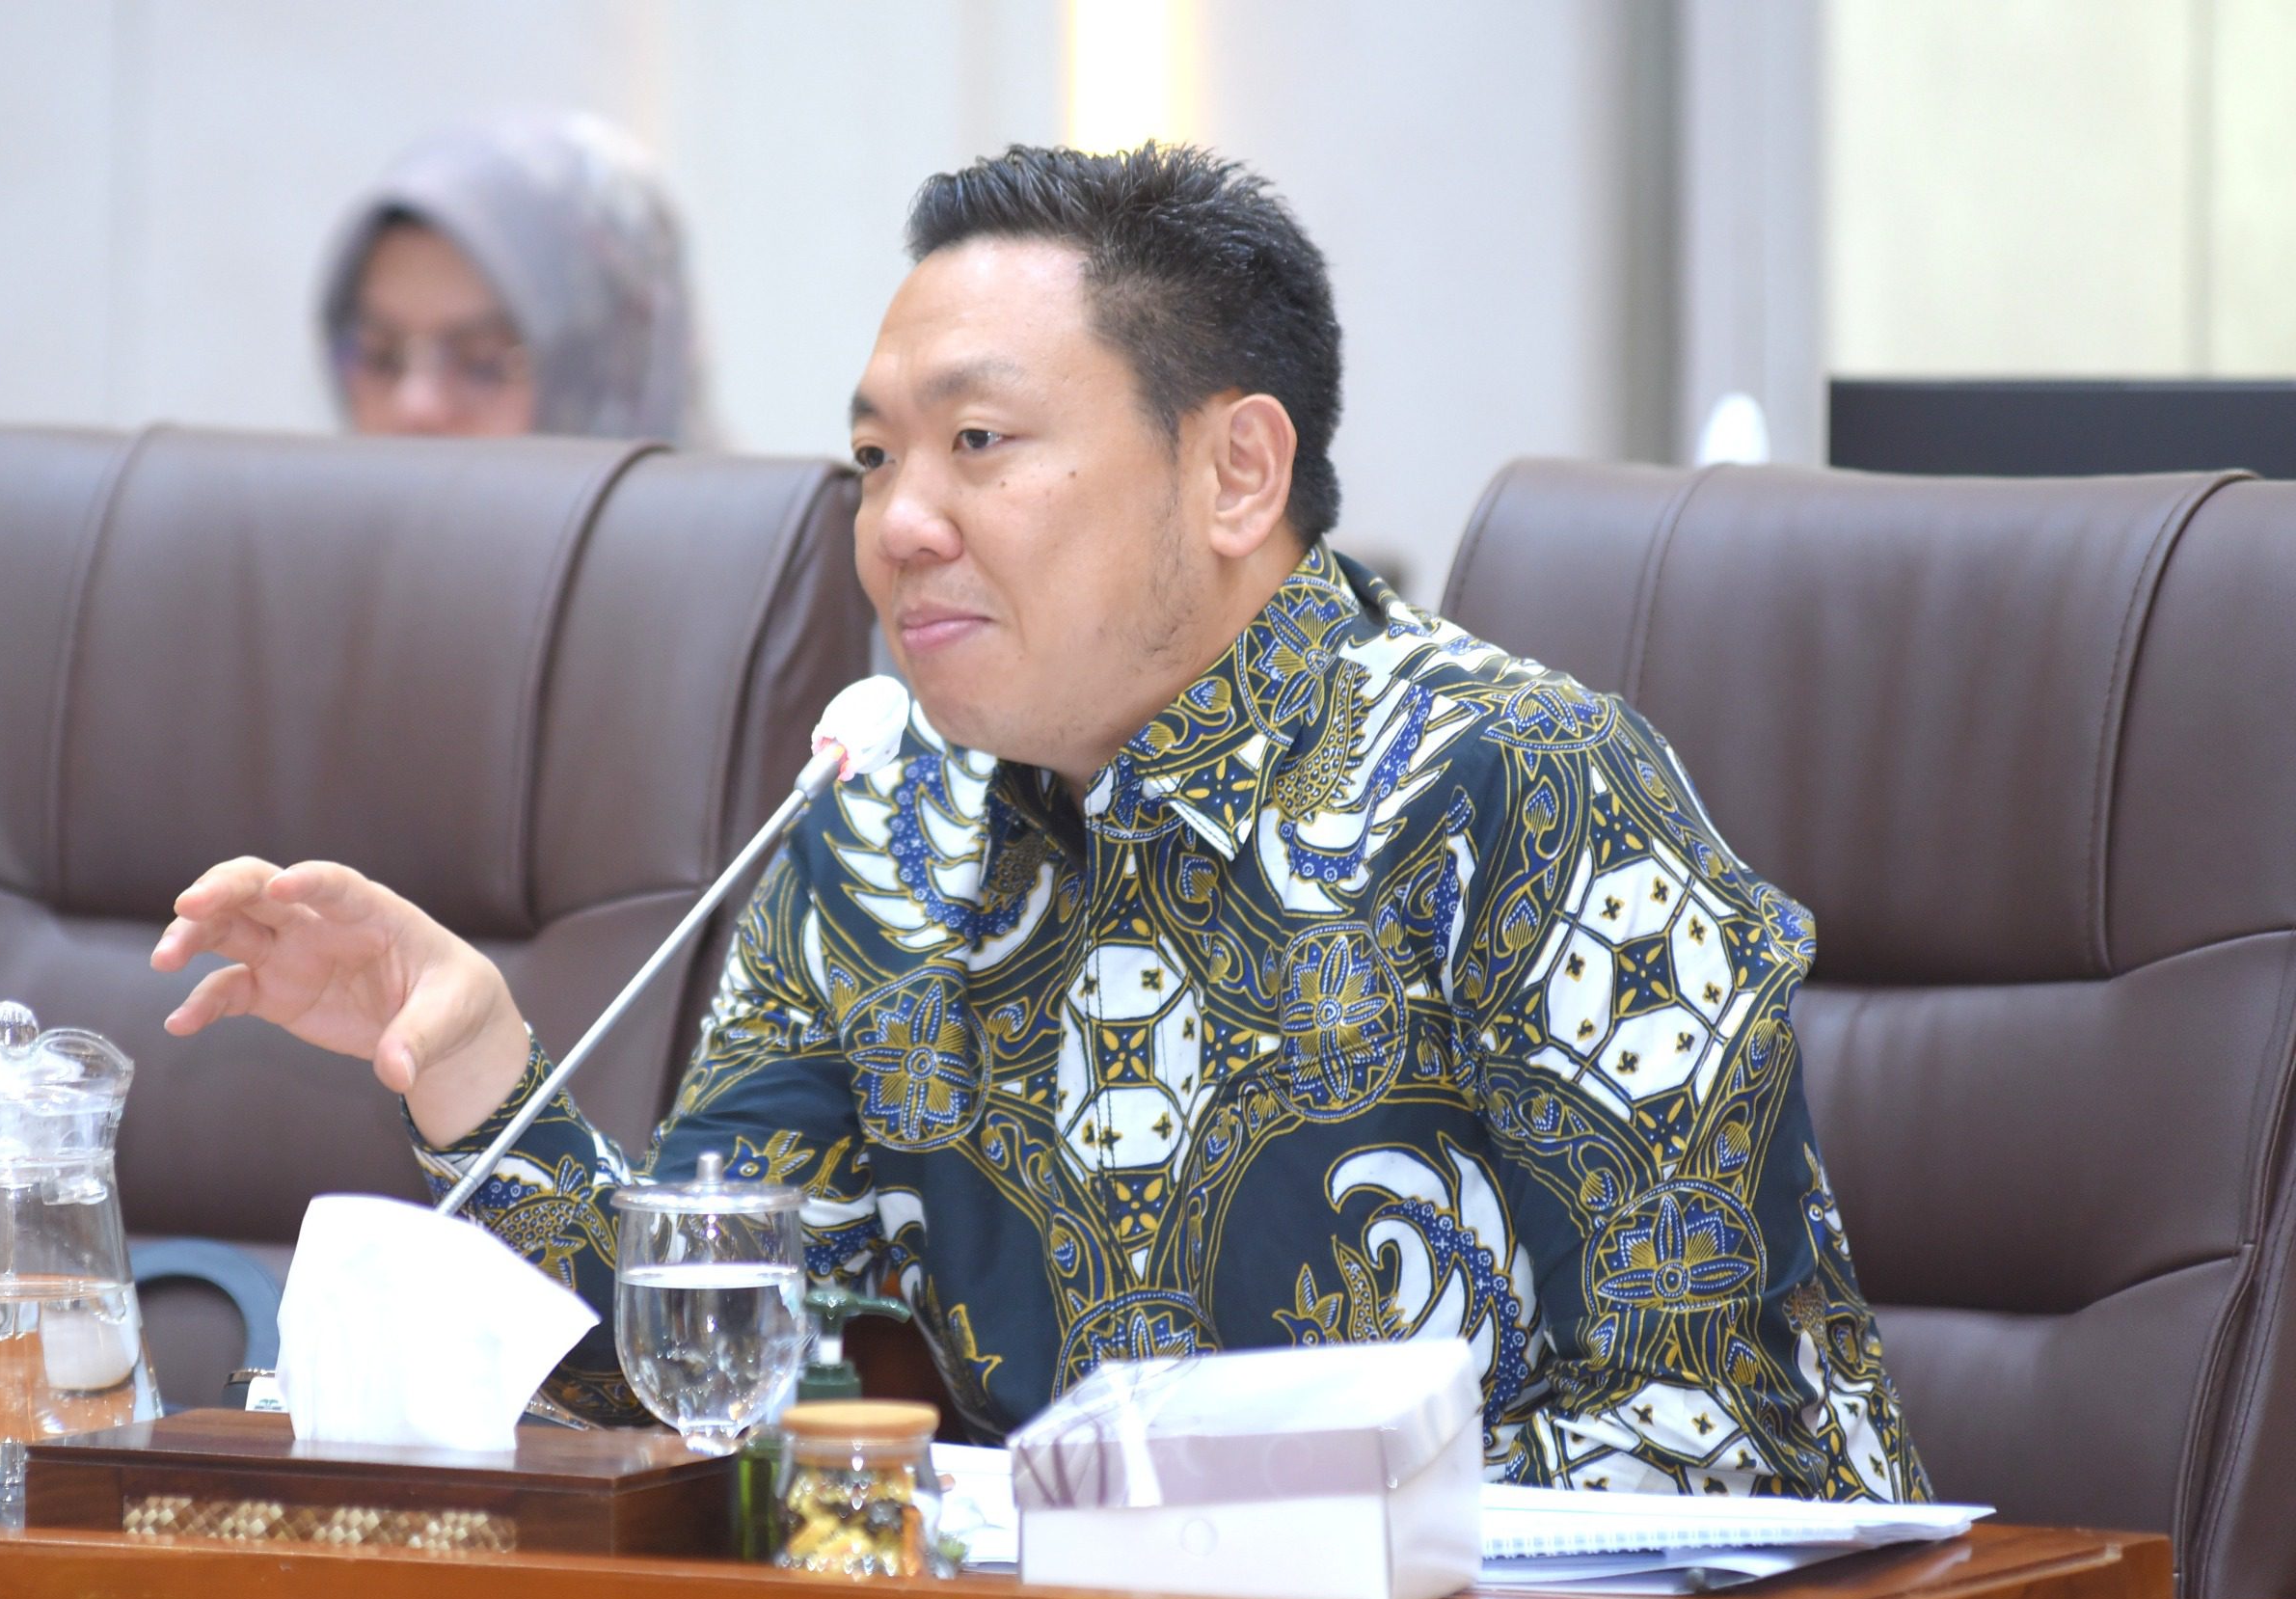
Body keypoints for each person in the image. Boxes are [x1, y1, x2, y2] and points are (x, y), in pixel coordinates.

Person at [156, 144, 1928, 1502]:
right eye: (872, 457)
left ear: (1236, 471)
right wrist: (476, 1066)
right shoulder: (878, 832)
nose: (901, 521)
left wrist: (1194, 1527)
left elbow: (1713, 1450)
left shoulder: (1520, 787)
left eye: (981, 441)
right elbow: (690, 1377)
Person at [319, 111, 713, 444]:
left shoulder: (746, 534)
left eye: (484, 364)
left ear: (616, 378)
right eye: (380, 359)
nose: (416, 406)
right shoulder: (304, 534)